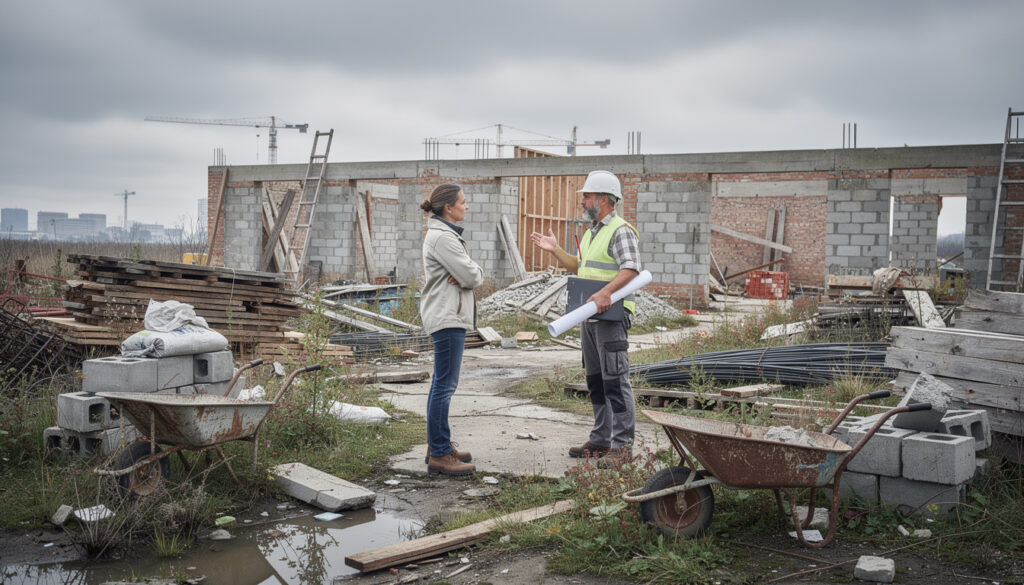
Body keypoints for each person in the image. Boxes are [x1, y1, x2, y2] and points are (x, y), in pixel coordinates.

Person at [530, 170, 640, 465]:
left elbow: (631, 269)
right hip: (590, 317)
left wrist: (607, 293)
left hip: (611, 317)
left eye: (587, 196)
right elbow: (581, 267)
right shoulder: (593, 231)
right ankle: (602, 439)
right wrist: (555, 251)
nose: (582, 201)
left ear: (604, 199)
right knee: (596, 380)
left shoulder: (620, 230)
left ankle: (621, 447)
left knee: (615, 381)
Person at [419, 184, 484, 476]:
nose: (466, 206)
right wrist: (470, 273)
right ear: (448, 208)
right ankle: (440, 454)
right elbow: (471, 275)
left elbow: (467, 276)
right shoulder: (443, 238)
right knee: (444, 386)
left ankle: (439, 446)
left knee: (442, 385)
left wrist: (467, 274)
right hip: (447, 317)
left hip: (449, 315)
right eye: (463, 202)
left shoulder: (445, 235)